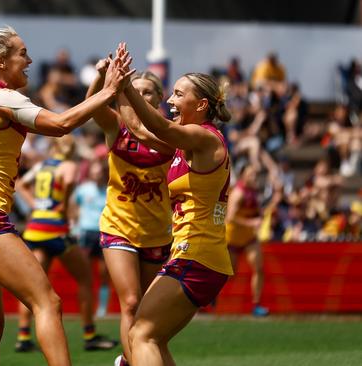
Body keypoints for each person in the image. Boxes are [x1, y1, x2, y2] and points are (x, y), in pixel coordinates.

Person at [0, 14, 132, 366]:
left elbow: (65, 120)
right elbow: (62, 124)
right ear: (1, 62)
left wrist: (101, 84)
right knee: (47, 303)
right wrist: (111, 90)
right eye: (23, 53)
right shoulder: (3, 97)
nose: (30, 61)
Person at [115, 43, 233, 366]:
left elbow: (159, 126)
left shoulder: (206, 138)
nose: (170, 100)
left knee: (141, 336)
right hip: (193, 254)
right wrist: (118, 89)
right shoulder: (186, 143)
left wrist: (127, 85)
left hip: (197, 254)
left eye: (179, 94)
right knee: (152, 338)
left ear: (202, 104)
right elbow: (139, 130)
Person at [86, 60, 175, 365]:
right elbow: (92, 107)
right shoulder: (117, 127)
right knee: (131, 302)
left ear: (159, 98)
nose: (141, 96)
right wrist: (101, 77)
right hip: (118, 227)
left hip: (157, 233)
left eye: (148, 92)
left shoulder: (170, 134)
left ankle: (127, 359)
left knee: (148, 313)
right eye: (134, 90)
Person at [13, 136, 117, 353]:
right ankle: (90, 334)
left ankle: (23, 336)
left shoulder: (43, 165)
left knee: (32, 286)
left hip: (36, 228)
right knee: (85, 278)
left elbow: (20, 184)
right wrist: (62, 203)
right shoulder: (68, 165)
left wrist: (35, 205)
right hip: (56, 229)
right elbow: (69, 180)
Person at [225, 165, 269, 317]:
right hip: (232, 239)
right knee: (230, 274)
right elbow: (230, 217)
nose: (254, 177)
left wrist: (261, 217)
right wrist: (251, 223)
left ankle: (256, 305)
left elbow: (257, 212)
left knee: (259, 268)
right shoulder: (238, 193)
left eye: (255, 174)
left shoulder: (254, 192)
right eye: (250, 174)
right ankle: (209, 298)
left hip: (249, 238)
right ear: (243, 176)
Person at [70, 158, 111, 318]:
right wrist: (74, 225)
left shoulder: (109, 190)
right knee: (84, 272)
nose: (96, 175)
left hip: (103, 232)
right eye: (94, 172)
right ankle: (86, 307)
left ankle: (102, 309)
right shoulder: (83, 189)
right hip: (86, 232)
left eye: (99, 172)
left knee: (104, 272)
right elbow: (73, 206)